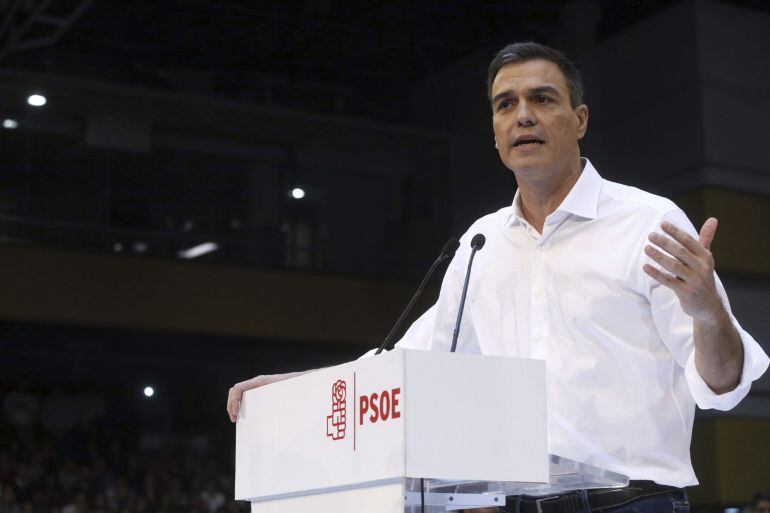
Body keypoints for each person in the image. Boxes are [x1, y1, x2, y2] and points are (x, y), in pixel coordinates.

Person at [227, 42, 769, 513]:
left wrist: (706, 310)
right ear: (493, 132)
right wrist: (298, 390)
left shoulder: (648, 224)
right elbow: (409, 362)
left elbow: (723, 387)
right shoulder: (479, 244)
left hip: (633, 501)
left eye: (542, 99)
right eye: (505, 105)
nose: (523, 116)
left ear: (579, 119)